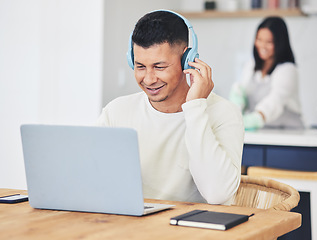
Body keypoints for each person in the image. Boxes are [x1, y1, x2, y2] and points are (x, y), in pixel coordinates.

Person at [97, 10, 244, 205]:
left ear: (187, 60)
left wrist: (195, 107)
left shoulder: (224, 113)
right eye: (140, 66)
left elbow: (218, 194)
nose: (148, 79)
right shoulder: (117, 112)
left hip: (195, 232)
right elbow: (93, 180)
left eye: (159, 67)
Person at [230, 16, 304, 130]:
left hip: (289, 133)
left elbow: (275, 101)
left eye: (269, 42)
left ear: (280, 43)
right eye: (259, 40)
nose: (262, 46)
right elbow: (242, 91)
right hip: (262, 131)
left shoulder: (288, 70)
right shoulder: (251, 65)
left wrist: (253, 119)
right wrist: (238, 98)